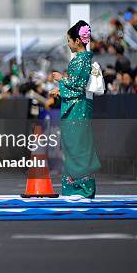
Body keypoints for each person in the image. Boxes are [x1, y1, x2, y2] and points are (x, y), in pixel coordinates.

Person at [51, 21, 101, 199]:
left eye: (69, 40)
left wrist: (60, 79)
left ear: (78, 41)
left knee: (77, 145)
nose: (68, 44)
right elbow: (77, 85)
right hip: (78, 106)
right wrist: (61, 88)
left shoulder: (80, 60)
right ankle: (78, 186)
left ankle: (81, 188)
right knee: (76, 145)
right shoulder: (83, 60)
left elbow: (77, 85)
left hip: (76, 109)